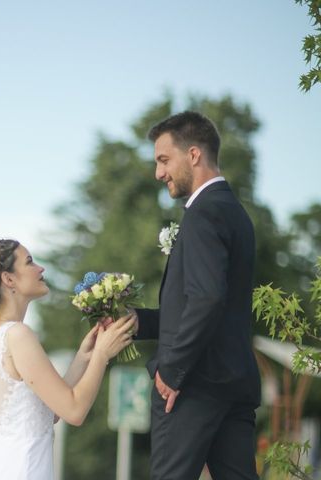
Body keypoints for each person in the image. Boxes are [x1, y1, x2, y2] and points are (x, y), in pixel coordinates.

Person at [133, 111, 261, 479]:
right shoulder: (234, 212)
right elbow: (208, 303)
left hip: (193, 385)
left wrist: (171, 371)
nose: (159, 173)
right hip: (233, 381)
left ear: (193, 154)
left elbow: (207, 299)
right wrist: (138, 321)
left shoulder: (203, 213)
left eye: (163, 160)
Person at [0, 239, 135, 480]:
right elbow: (74, 411)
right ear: (8, 279)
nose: (40, 269)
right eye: (30, 262)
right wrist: (102, 355)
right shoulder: (18, 335)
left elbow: (48, 412)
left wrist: (83, 358)